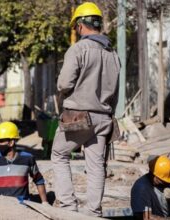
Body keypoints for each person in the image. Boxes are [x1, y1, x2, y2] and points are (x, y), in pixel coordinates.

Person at [51, 2, 121, 217]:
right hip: (104, 117)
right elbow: (116, 92)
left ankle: (69, 208)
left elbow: (64, 84)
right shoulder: (113, 54)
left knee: (59, 155)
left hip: (78, 115)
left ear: (81, 25)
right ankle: (93, 212)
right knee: (96, 165)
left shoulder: (78, 49)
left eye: (75, 28)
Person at [0, 121, 48, 204]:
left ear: (11, 142)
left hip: (22, 206)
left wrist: (45, 202)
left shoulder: (28, 159)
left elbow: (39, 180)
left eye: (1, 141)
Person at [131, 156, 170, 220]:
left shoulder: (164, 181)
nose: (167, 182)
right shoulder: (141, 188)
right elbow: (144, 217)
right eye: (164, 180)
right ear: (154, 175)